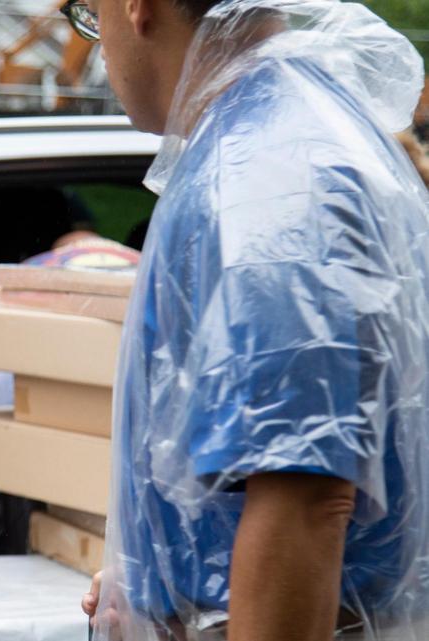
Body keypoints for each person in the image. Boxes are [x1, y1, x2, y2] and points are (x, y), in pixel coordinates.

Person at [57, 0, 429, 638]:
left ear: (135, 7)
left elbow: (306, 494)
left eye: (89, 14)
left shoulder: (272, 173)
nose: (98, 44)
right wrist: (161, 566)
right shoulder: (265, 140)